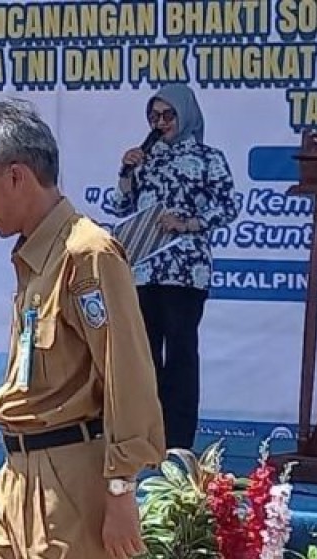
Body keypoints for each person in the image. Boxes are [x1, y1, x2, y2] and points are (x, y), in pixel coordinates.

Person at [0, 98, 166, 559]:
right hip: (18, 475)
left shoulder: (88, 254)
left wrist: (123, 487)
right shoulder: (33, 257)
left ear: (18, 175)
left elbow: (127, 374)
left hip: (71, 477)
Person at [103, 82, 240, 451]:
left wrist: (188, 223)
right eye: (154, 115)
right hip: (145, 268)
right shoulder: (146, 158)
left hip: (186, 271)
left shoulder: (209, 158)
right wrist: (126, 172)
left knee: (180, 353)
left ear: (186, 115)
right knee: (144, 353)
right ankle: (146, 435)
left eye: (168, 115)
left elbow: (228, 207)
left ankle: (178, 442)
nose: (160, 122)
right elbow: (119, 207)